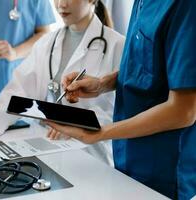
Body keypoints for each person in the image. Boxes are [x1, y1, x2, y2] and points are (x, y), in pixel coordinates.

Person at [46, 0, 196, 199]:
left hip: (163, 171)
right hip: (127, 159)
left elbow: (184, 111)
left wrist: (99, 133)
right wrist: (102, 84)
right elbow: (148, 65)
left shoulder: (185, 7)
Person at [0, 0, 125, 166]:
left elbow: (120, 114)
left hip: (92, 158)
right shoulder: (46, 44)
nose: (61, 4)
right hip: (47, 151)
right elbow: (16, 96)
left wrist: (75, 120)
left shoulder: (118, 45)